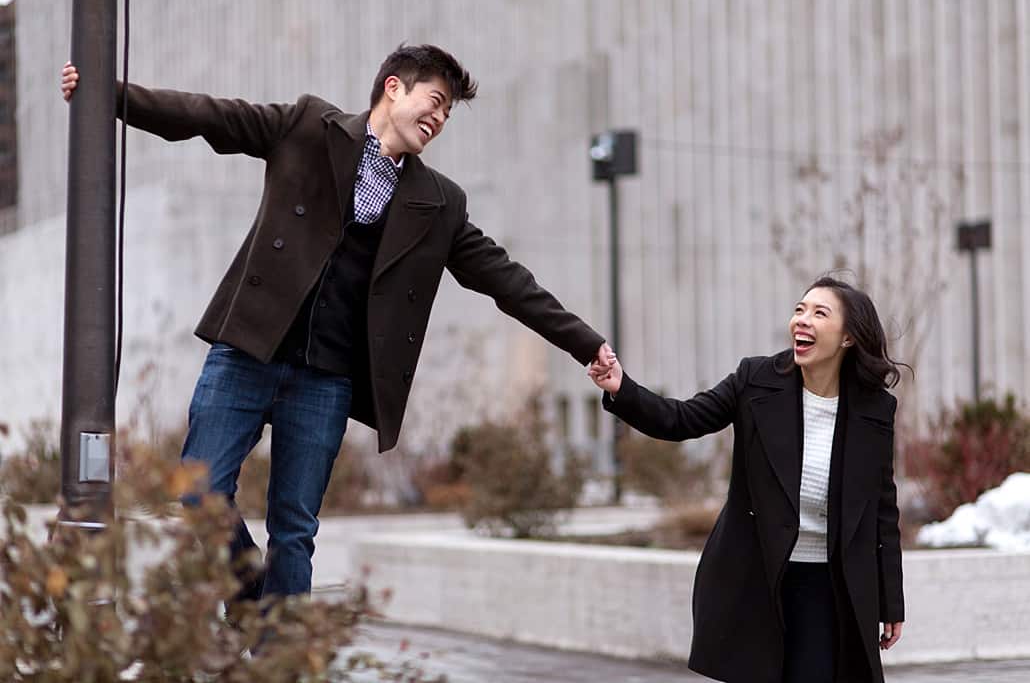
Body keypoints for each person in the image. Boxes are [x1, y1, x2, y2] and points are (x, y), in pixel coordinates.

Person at [61, 45, 613, 605]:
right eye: (436, 101)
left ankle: (280, 660)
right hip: (248, 351)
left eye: (447, 114)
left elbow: (506, 279)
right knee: (200, 492)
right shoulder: (307, 127)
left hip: (325, 380)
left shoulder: (439, 201)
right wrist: (111, 95)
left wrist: (584, 342)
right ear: (394, 87)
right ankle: (253, 597)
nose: (440, 119)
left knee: (295, 532)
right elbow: (209, 116)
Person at [588, 277, 905, 683]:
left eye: (819, 313)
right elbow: (681, 419)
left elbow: (882, 506)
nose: (801, 321)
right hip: (758, 578)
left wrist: (890, 600)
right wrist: (622, 389)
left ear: (847, 338)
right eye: (799, 310)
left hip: (832, 587)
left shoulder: (875, 408)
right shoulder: (755, 379)